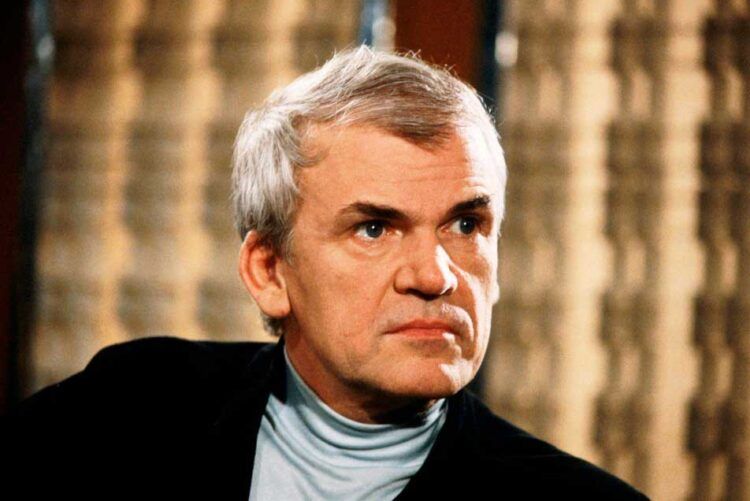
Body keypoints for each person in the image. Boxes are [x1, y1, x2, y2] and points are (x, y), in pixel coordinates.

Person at [3, 46, 647, 500]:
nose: (435, 276)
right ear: (268, 271)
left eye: (465, 224)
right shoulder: (129, 407)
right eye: (374, 228)